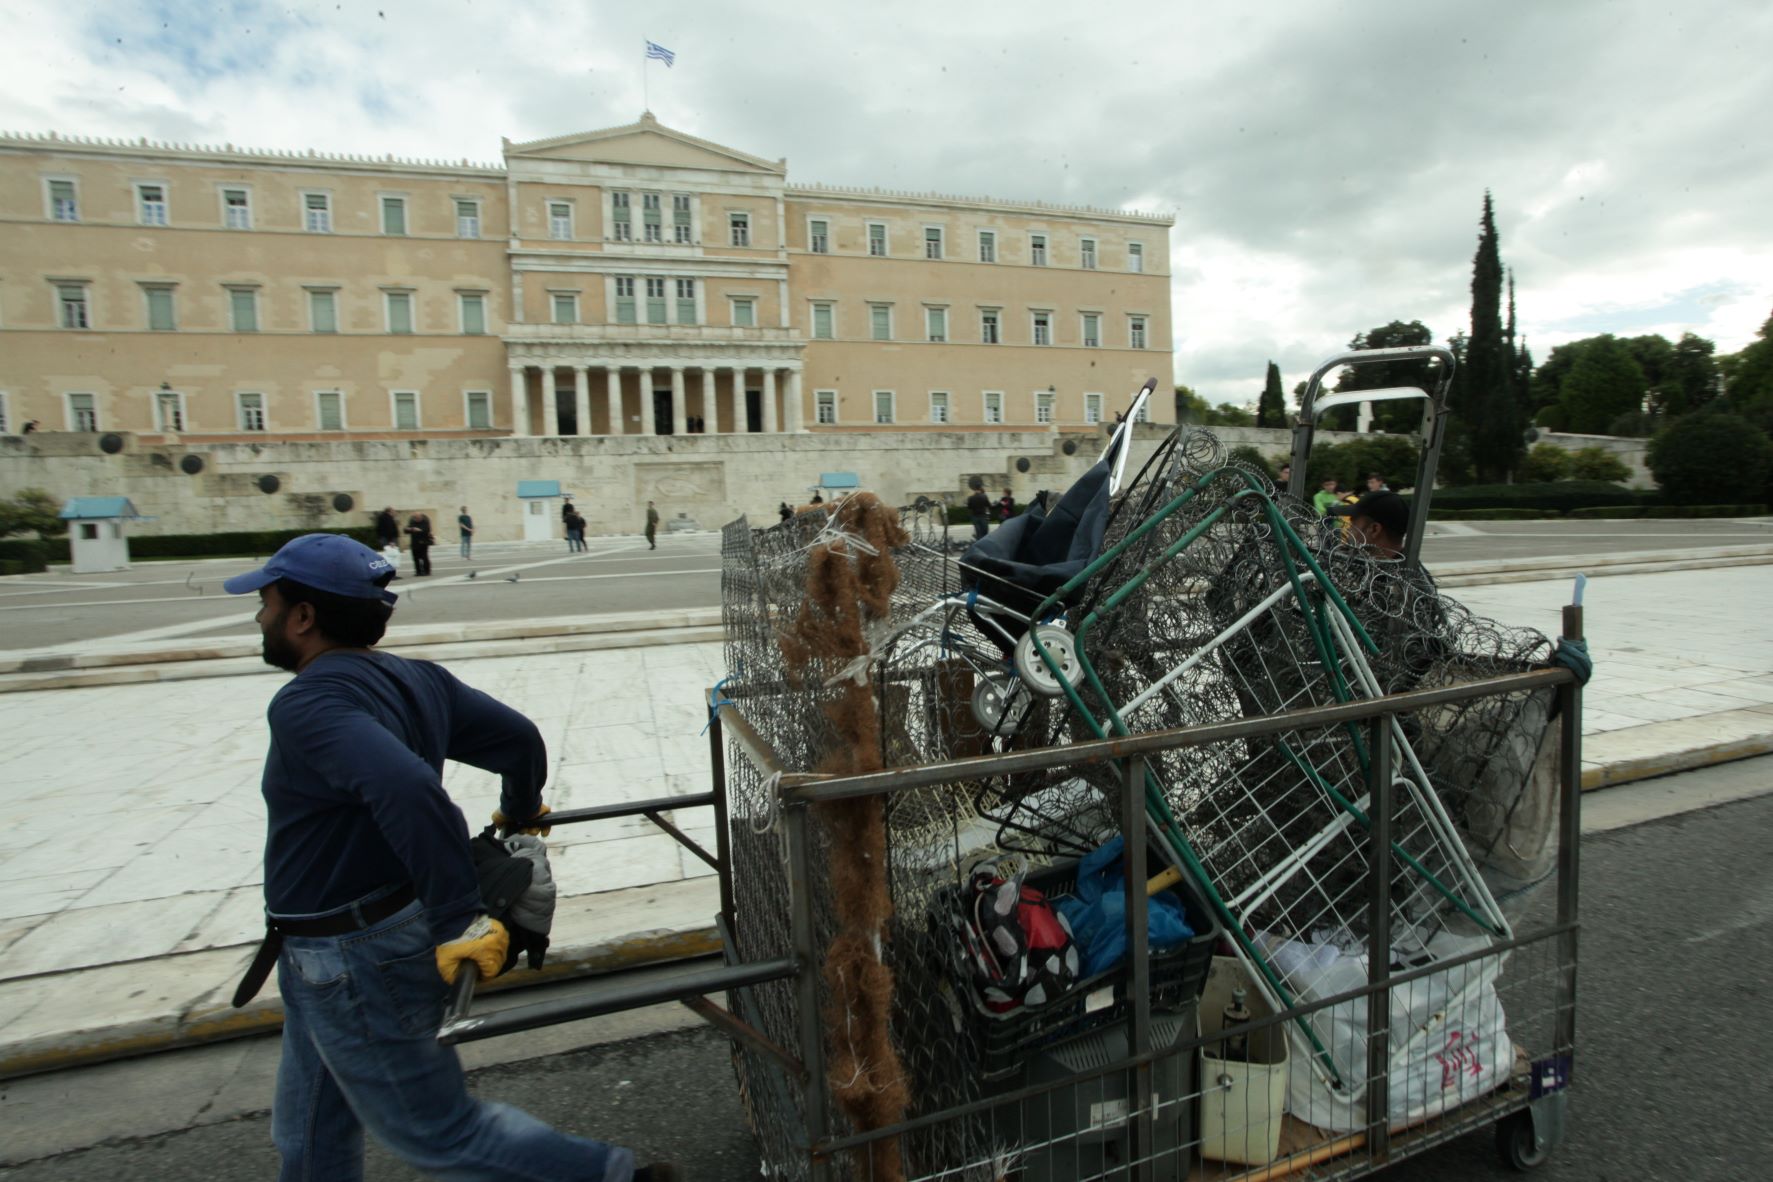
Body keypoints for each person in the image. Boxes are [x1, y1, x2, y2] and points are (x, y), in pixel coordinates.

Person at [220, 535, 678, 1181]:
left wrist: (458, 916)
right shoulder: (416, 678)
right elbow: (516, 739)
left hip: (351, 957)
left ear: (302, 616)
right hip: (327, 949)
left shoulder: (309, 702)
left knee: (436, 1132)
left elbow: (409, 789)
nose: (258, 614)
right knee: (308, 1127)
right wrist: (521, 810)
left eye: (266, 601)